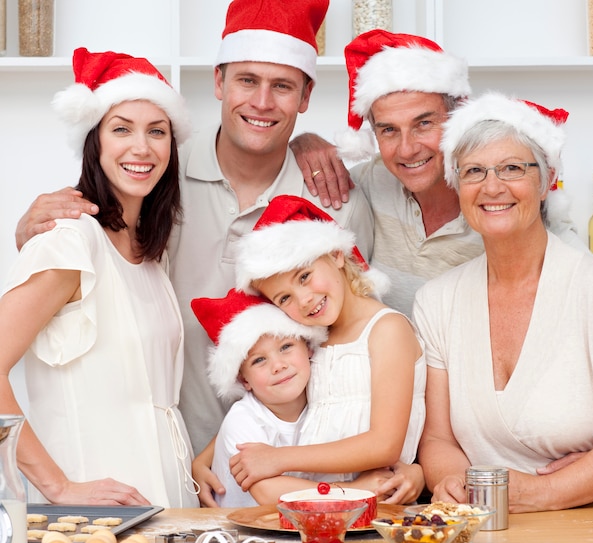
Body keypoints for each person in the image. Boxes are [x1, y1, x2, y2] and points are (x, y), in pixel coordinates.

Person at [13, 0, 374, 474]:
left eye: (282, 86)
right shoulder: (156, 179)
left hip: (299, 470)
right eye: (247, 80)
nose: (262, 103)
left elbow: (354, 345)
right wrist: (29, 232)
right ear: (219, 81)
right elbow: (90, 254)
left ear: (305, 97)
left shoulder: (336, 202)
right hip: (166, 463)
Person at [0, 48, 199, 507]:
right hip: (96, 514)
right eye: (121, 129)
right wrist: (58, 487)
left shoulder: (150, 253)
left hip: (166, 505)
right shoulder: (70, 242)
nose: (142, 147)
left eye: (157, 131)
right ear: (94, 142)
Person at [413, 91, 593, 512]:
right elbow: (437, 438)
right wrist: (455, 484)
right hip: (478, 527)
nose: (492, 187)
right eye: (474, 171)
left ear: (546, 181)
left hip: (589, 525)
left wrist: (549, 492)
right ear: (458, 187)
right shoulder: (435, 301)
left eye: (512, 168)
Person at [291, 29, 584, 316]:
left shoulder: (497, 198)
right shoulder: (367, 182)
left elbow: (586, 279)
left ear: (457, 117)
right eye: (389, 130)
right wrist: (301, 144)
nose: (407, 149)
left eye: (424, 124)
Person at [229, 194, 426, 497]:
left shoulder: (387, 330)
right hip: (319, 506)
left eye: (305, 277)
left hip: (380, 503)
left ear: (335, 254)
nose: (303, 299)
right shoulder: (312, 342)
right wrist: (206, 457)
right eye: (284, 299)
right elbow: (273, 404)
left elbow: (384, 445)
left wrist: (277, 459)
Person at [190, 288, 410, 507]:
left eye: (286, 347)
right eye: (258, 360)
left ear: (308, 348)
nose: (278, 365)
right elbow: (268, 493)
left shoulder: (324, 402)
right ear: (243, 380)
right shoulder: (242, 420)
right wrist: (355, 491)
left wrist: (412, 472)